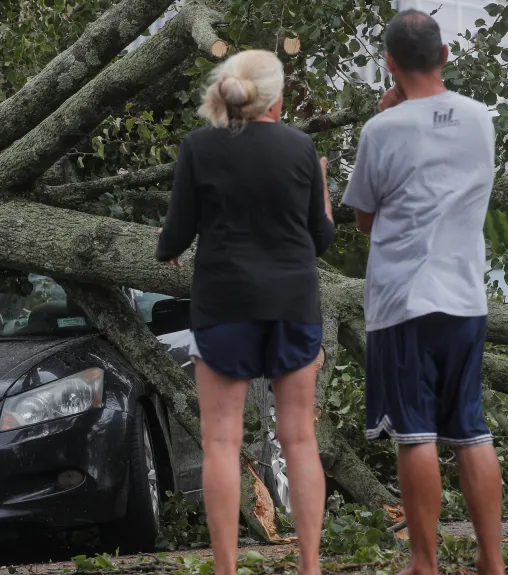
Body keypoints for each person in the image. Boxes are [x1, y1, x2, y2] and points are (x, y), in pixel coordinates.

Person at [156, 49, 335, 575]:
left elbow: (175, 235)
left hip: (224, 304)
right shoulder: (301, 148)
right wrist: (320, 190)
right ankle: (310, 567)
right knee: (299, 437)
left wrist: (168, 250)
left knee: (220, 440)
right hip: (292, 304)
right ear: (276, 98)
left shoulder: (198, 146)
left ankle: (226, 569)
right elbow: (320, 239)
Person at [341, 9, 505, 575]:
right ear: (446, 55)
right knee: (470, 429)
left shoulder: (381, 130)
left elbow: (364, 219)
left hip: (402, 299)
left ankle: (425, 563)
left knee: (415, 434)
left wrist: (388, 111)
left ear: (389, 63)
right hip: (465, 296)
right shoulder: (481, 117)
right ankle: (492, 561)